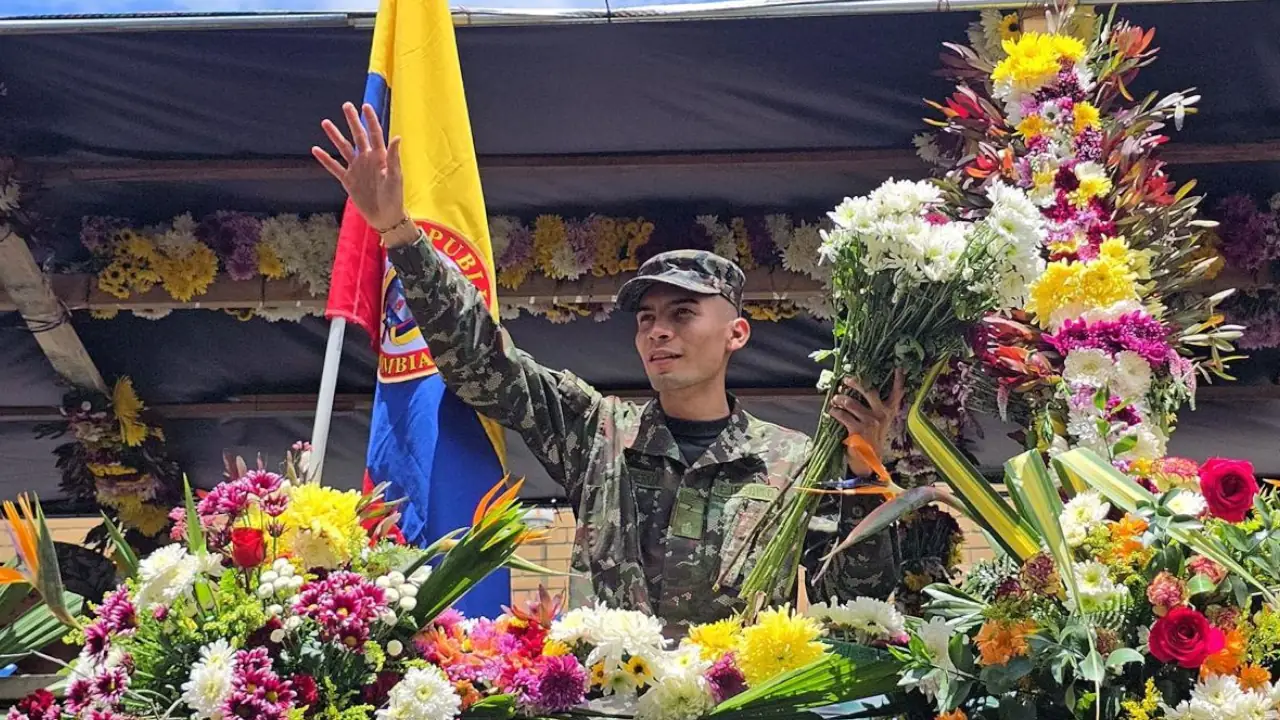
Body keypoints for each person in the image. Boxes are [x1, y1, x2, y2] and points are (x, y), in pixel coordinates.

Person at [313, 103, 905, 627]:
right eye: (645, 318)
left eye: (682, 312)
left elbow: (852, 605)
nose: (658, 331)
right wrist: (399, 233)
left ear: (737, 333)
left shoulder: (795, 462)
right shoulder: (597, 432)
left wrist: (866, 477)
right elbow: (480, 362)